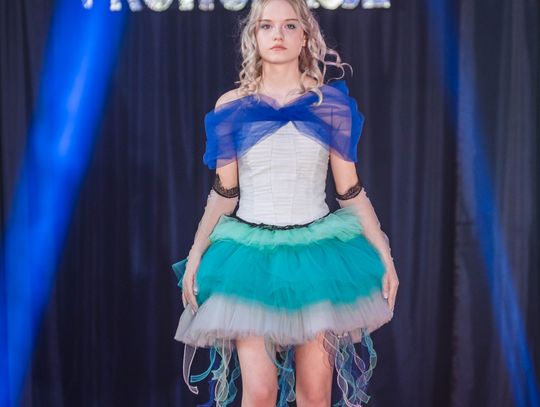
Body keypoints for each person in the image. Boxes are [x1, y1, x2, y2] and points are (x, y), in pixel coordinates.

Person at [171, 0, 399, 405]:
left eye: (289, 26)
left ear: (304, 36)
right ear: (254, 36)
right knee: (259, 393)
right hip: (250, 259)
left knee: (315, 395)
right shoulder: (231, 106)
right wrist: (196, 253)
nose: (278, 35)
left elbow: (349, 191)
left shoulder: (329, 106)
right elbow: (225, 192)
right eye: (267, 26)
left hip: (317, 256)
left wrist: (384, 252)